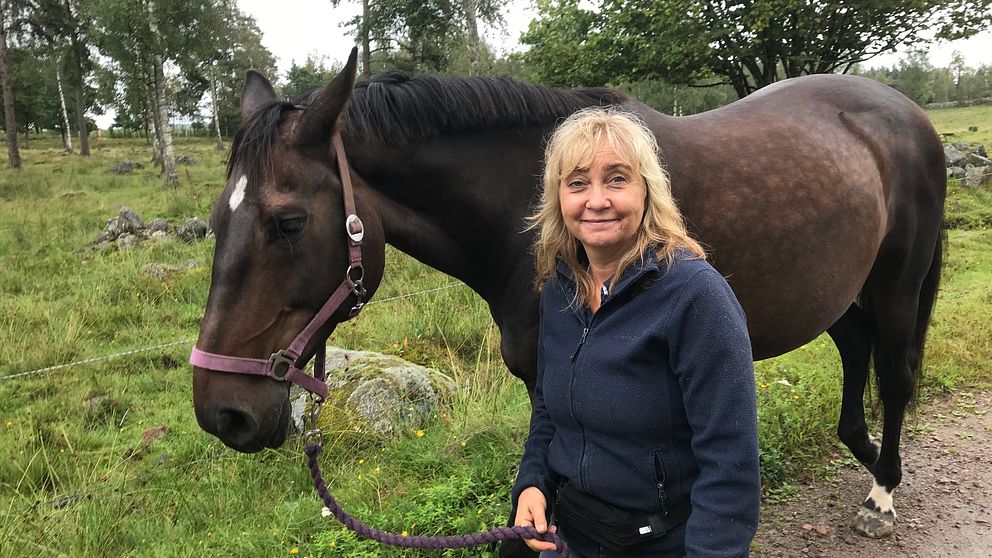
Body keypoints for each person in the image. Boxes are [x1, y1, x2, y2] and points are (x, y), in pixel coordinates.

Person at [512, 107, 761, 557]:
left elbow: (730, 461)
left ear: (648, 190)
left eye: (617, 179)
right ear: (558, 199)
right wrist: (533, 482)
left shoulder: (695, 297)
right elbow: (548, 406)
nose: (596, 199)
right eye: (577, 183)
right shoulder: (560, 289)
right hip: (569, 532)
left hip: (658, 542)